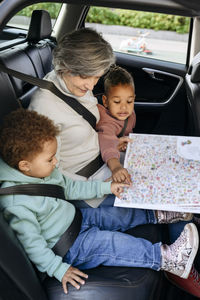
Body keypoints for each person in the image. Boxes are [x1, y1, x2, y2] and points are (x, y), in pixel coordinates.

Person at [0, 109, 198, 295]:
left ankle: (159, 214)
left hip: (76, 218)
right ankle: (168, 259)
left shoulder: (42, 172)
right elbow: (33, 245)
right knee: (113, 244)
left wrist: (106, 188)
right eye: (50, 159)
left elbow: (70, 188)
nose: (55, 163)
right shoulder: (17, 203)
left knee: (116, 213)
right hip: (72, 246)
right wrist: (58, 269)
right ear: (25, 166)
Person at [96, 65, 136, 184]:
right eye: (117, 102)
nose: (124, 107)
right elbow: (107, 144)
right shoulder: (106, 122)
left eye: (129, 101)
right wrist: (116, 167)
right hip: (110, 158)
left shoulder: (128, 114)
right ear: (105, 101)